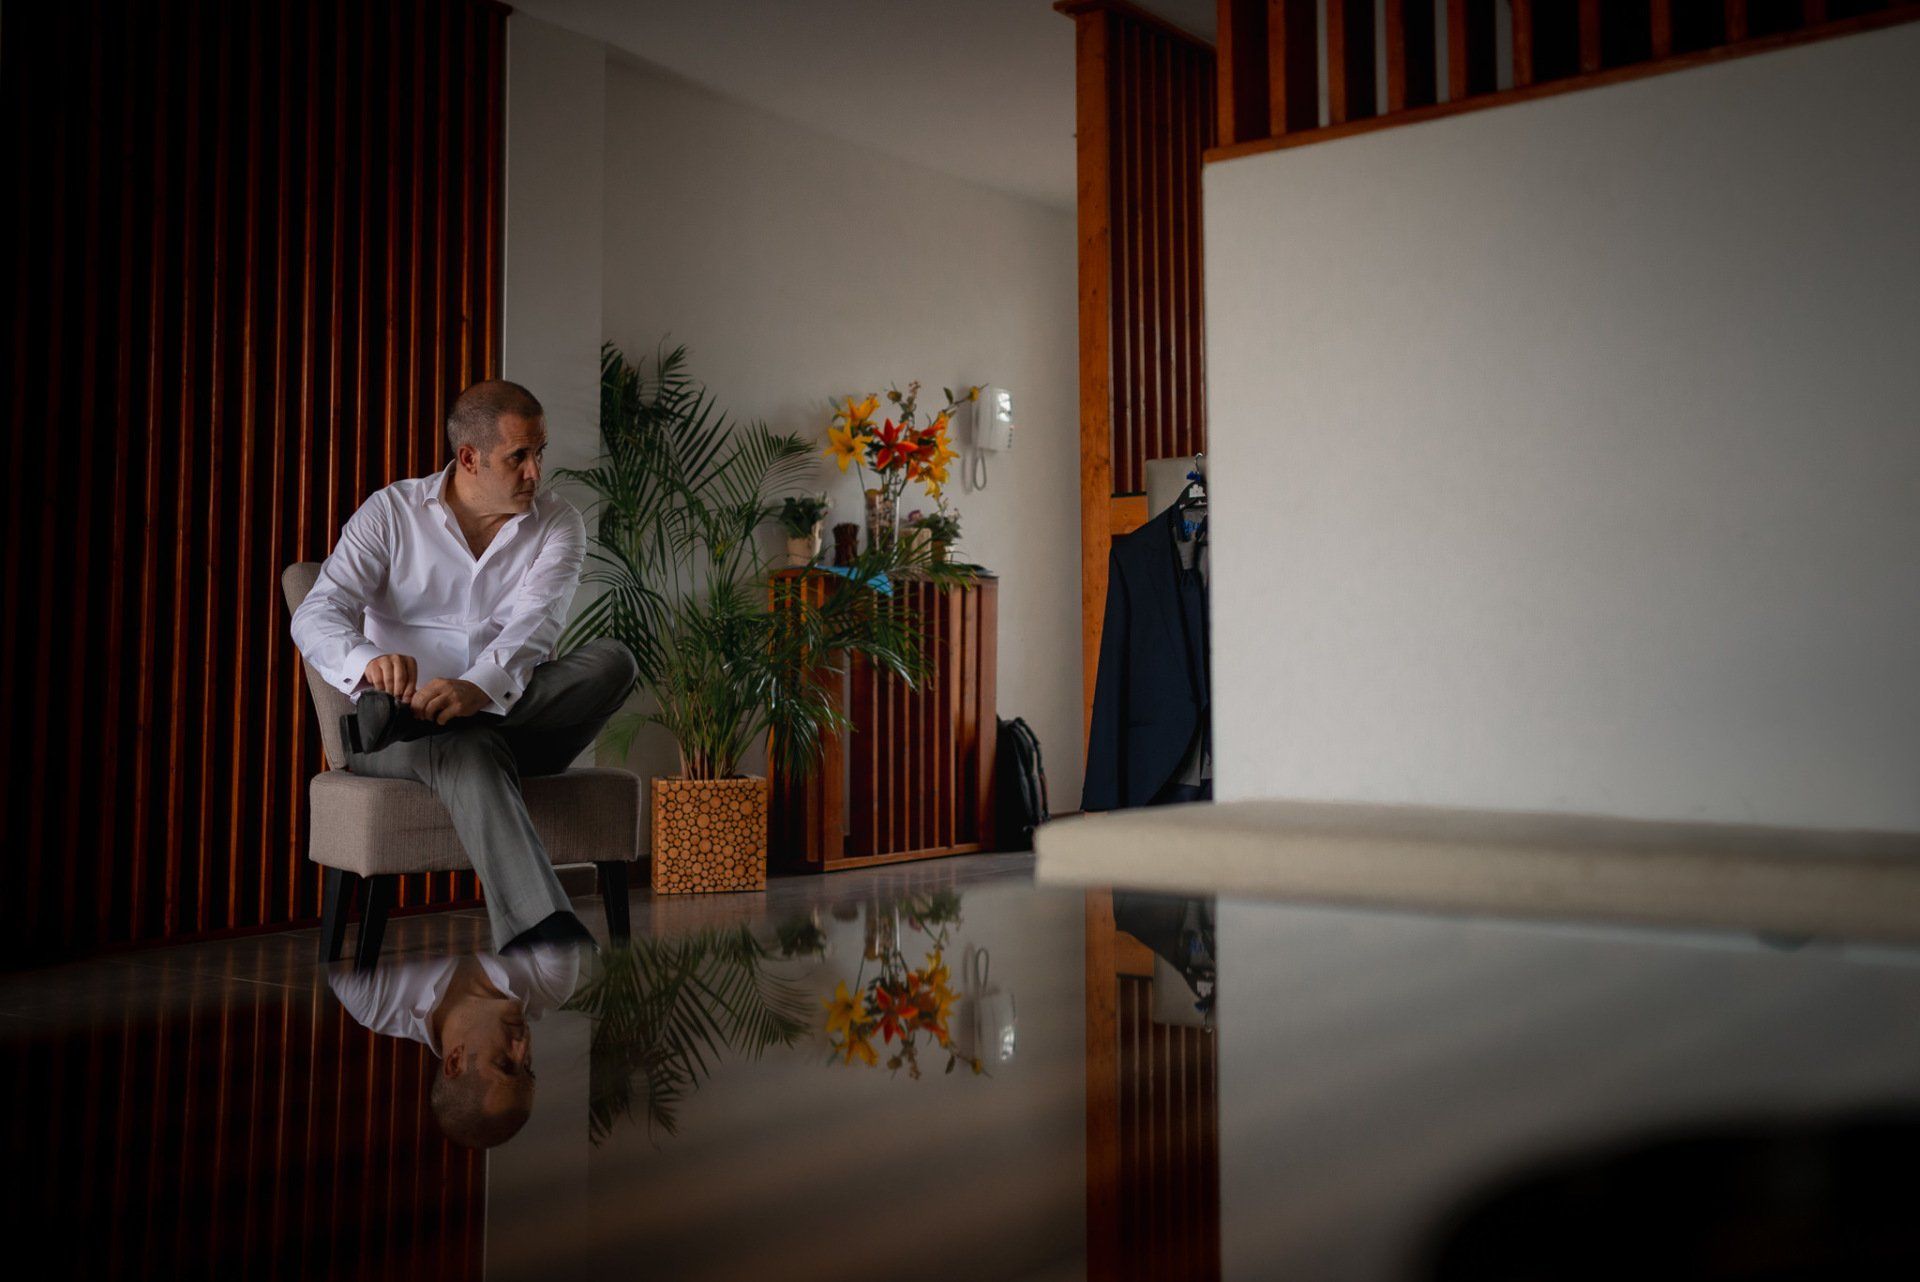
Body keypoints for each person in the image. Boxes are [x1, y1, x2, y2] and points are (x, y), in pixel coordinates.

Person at [290, 379, 637, 953]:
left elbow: (537, 627)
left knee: (614, 661)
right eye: (518, 456)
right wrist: (368, 660)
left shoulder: (558, 522)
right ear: (470, 458)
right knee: (466, 746)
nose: (535, 471)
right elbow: (317, 611)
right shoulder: (392, 512)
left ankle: (429, 719)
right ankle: (541, 929)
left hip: (515, 724)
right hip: (398, 743)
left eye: (540, 452)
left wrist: (477, 689)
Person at [327, 945, 586, 1149]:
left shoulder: (373, 997)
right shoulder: (550, 984)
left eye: (504, 1064)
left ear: (454, 1061)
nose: (523, 1046)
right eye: (528, 1067)